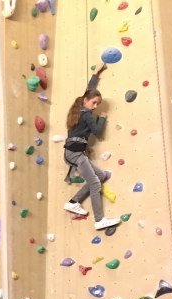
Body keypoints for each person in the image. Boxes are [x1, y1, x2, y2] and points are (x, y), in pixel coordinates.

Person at [63, 63, 121, 231]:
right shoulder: (87, 115)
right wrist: (102, 118)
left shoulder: (80, 108)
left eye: (98, 104)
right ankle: (99, 220)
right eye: (94, 103)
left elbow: (89, 89)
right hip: (75, 153)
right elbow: (96, 131)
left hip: (73, 151)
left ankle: (73, 202)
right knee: (95, 183)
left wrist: (96, 73)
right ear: (86, 101)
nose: (95, 106)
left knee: (100, 176)